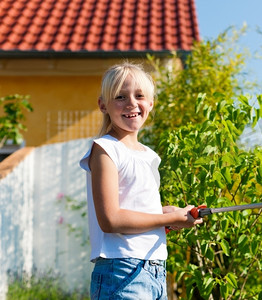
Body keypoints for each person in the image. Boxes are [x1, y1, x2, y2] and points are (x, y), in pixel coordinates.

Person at [80, 62, 202, 299]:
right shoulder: (105, 149)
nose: (132, 103)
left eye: (139, 96)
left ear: (151, 103)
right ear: (103, 105)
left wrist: (168, 213)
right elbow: (111, 219)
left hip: (155, 269)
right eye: (120, 96)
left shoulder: (149, 156)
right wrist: (167, 218)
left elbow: (138, 208)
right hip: (122, 271)